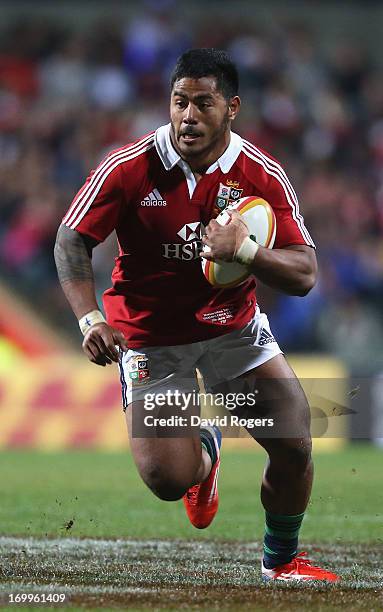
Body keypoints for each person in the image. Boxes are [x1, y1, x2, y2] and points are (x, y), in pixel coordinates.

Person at [54, 48, 339, 582]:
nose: (188, 116)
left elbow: (305, 275)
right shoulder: (128, 168)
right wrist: (89, 318)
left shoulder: (262, 175)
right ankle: (204, 453)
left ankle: (281, 561)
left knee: (295, 441)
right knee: (167, 480)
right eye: (179, 102)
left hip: (232, 328)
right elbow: (71, 240)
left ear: (232, 108)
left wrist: (247, 253)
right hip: (151, 336)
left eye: (203, 103)